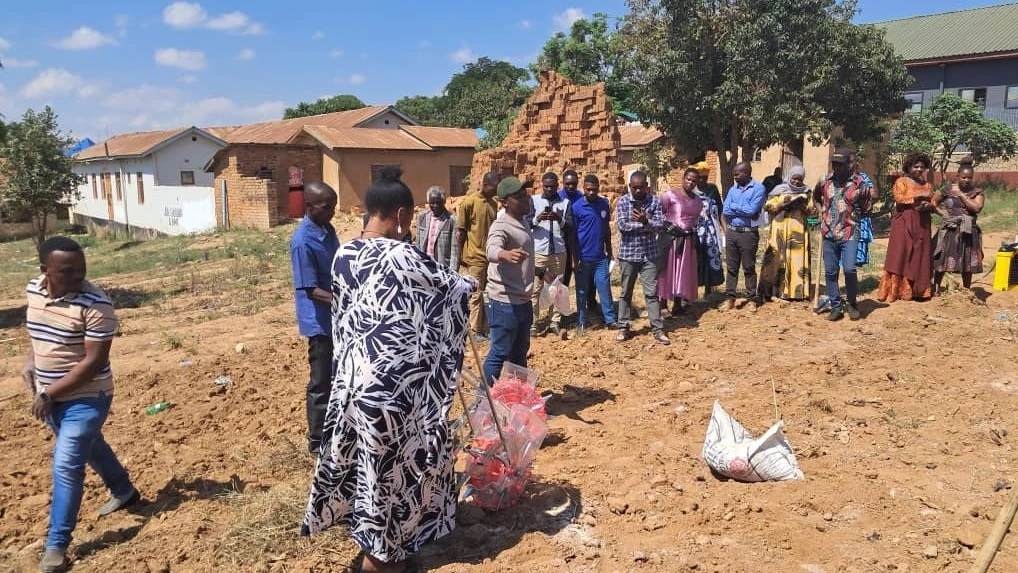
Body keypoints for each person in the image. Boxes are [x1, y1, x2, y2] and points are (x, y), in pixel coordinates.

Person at [302, 167, 475, 573]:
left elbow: (346, 316)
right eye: (410, 216)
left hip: (353, 385)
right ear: (400, 214)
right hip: (393, 393)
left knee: (367, 469)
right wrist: (473, 285)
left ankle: (377, 544)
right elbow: (453, 289)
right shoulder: (405, 255)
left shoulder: (344, 254)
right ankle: (383, 559)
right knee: (396, 473)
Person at [23, 237, 139, 573]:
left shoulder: (95, 304)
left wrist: (49, 394)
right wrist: (32, 361)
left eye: (81, 268)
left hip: (86, 398)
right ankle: (124, 490)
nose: (78, 276)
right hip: (50, 395)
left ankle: (56, 545)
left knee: (66, 464)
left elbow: (93, 363)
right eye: (67, 271)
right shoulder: (34, 290)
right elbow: (38, 331)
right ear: (46, 271)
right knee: (91, 447)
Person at [289, 182, 340, 455]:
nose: (332, 211)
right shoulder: (302, 241)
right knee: (321, 381)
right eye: (327, 207)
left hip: (336, 317)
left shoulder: (327, 230)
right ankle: (317, 440)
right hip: (320, 322)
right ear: (310, 207)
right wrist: (346, 300)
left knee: (338, 377)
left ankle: (336, 429)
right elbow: (311, 289)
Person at [482, 176, 537, 385]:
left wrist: (539, 271)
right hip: (505, 302)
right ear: (505, 202)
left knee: (519, 353)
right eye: (519, 196)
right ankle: (483, 402)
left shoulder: (521, 221)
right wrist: (504, 254)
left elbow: (525, 256)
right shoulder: (501, 225)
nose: (526, 199)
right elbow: (491, 249)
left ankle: (517, 399)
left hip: (522, 299)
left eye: (525, 194)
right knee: (500, 353)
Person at [814, 150, 872, 320]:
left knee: (849, 269)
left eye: (840, 164)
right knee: (831, 271)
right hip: (829, 233)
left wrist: (857, 211)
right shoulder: (824, 181)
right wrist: (821, 210)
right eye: (834, 164)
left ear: (849, 164)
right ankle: (836, 306)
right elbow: (816, 197)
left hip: (850, 232)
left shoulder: (860, 184)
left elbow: (867, 208)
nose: (836, 167)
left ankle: (852, 303)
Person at [614, 171, 671, 345]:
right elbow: (623, 226)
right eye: (635, 187)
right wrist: (645, 223)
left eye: (641, 187)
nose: (638, 191)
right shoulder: (624, 201)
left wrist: (647, 222)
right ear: (630, 187)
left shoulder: (653, 200)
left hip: (649, 255)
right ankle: (623, 327)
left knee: (652, 294)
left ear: (647, 186)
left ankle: (657, 329)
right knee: (625, 293)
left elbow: (660, 226)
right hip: (628, 255)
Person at [877, 153, 935, 303]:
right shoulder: (901, 181)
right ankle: (895, 291)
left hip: (922, 223)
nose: (919, 169)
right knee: (900, 254)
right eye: (916, 166)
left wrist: (929, 205)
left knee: (919, 254)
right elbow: (900, 198)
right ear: (909, 167)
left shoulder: (927, 184)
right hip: (904, 222)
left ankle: (918, 291)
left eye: (922, 166)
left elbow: (934, 200)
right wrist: (919, 197)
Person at [572, 174, 620, 334]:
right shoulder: (577, 207)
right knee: (581, 291)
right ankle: (582, 322)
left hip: (600, 258)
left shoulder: (604, 204)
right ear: (583, 189)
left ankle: (610, 320)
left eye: (594, 189)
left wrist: (610, 251)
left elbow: (606, 229)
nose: (592, 192)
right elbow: (573, 235)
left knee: (605, 289)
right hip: (583, 258)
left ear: (598, 188)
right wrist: (575, 259)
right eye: (588, 190)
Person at [457, 172, 500, 341]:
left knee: (489, 293)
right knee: (476, 294)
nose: (496, 192)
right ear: (487, 185)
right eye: (494, 189)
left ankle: (485, 326)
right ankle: (474, 330)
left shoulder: (493, 204)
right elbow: (461, 233)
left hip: (490, 257)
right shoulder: (469, 203)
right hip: (475, 257)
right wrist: (462, 256)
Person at [932, 158, 985, 293]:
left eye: (969, 178)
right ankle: (936, 288)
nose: (966, 180)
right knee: (942, 259)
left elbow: (976, 208)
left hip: (968, 231)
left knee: (967, 261)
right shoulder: (947, 189)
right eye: (963, 177)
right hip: (950, 230)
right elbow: (933, 202)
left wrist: (961, 195)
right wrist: (942, 213)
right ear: (957, 176)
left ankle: (966, 290)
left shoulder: (977, 192)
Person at [530, 172, 572, 336]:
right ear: (542, 185)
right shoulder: (534, 201)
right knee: (535, 289)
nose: (549, 189)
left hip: (559, 252)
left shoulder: (565, 203)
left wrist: (558, 219)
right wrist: (538, 218)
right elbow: (526, 224)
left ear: (557, 185)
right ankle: (533, 323)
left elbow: (569, 227)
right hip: (539, 251)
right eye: (546, 186)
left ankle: (555, 321)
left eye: (552, 186)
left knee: (557, 288)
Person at [721, 161, 767, 310]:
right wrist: (741, 209)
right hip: (732, 232)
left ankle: (752, 299)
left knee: (748, 267)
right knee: (732, 268)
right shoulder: (732, 190)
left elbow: (752, 211)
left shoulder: (759, 188)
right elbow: (726, 210)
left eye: (738, 174)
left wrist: (735, 207)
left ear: (747, 173)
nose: (734, 177)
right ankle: (730, 298)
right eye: (734, 174)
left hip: (748, 234)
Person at [658, 168, 703, 315]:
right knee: (667, 269)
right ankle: (663, 304)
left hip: (688, 240)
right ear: (683, 178)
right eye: (688, 179)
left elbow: (695, 220)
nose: (691, 183)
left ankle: (678, 304)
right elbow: (660, 215)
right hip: (671, 239)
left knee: (682, 271)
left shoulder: (697, 201)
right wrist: (669, 228)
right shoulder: (669, 196)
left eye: (694, 181)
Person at [764, 165, 813, 301]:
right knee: (778, 259)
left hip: (798, 231)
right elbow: (768, 206)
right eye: (794, 178)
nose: (796, 181)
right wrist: (781, 204)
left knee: (796, 260)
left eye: (799, 179)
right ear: (789, 176)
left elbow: (812, 211)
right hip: (779, 229)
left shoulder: (807, 191)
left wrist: (804, 207)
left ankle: (796, 293)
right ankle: (775, 292)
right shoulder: (779, 190)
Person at [693, 162, 725, 295]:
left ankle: (709, 288)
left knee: (710, 257)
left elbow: (720, 210)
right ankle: (691, 290)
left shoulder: (712, 189)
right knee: (695, 259)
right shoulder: (691, 190)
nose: (702, 181)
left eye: (704, 178)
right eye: (699, 178)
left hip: (711, 230)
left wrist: (725, 230)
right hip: (695, 230)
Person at [416, 185, 460, 270]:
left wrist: (453, 273)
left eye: (438, 203)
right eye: (432, 203)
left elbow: (455, 251)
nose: (435, 205)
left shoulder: (451, 220)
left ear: (443, 202)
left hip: (442, 268)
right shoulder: (422, 217)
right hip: (425, 266)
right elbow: (418, 244)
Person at [850, 152, 877, 267]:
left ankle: (851, 278)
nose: (850, 164)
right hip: (843, 218)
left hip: (860, 217)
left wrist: (868, 199)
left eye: (852, 161)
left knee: (855, 258)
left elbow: (874, 193)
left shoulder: (863, 177)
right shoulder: (837, 178)